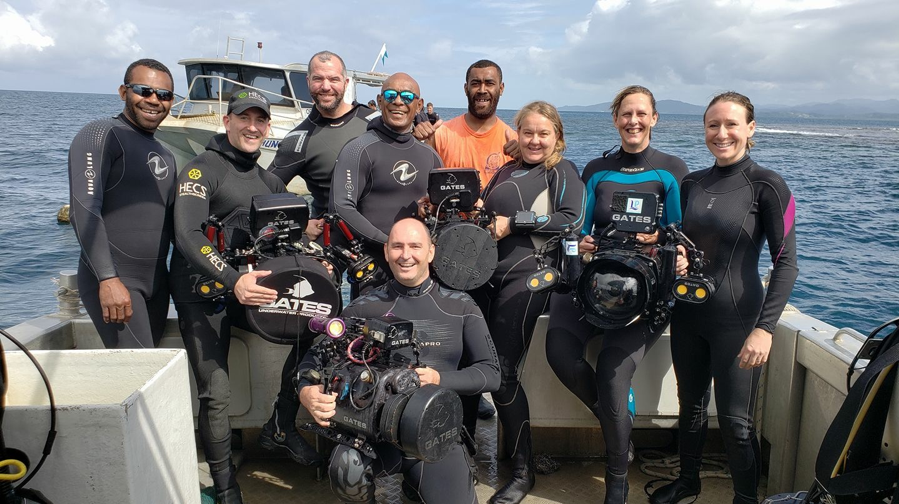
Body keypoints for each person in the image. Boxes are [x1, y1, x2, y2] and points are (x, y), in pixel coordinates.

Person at [170, 90, 323, 504]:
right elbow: (187, 234)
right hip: (201, 294)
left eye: (261, 120)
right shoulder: (202, 171)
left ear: (269, 127)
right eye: (244, 118)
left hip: (245, 292)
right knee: (216, 392)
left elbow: (286, 232)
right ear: (227, 121)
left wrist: (310, 241)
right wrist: (231, 278)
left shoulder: (267, 179)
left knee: (316, 325)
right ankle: (225, 488)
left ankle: (281, 424)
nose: (252, 127)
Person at [651, 92, 798, 504]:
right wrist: (676, 255)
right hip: (689, 315)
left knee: (736, 423)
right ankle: (689, 480)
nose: (722, 133)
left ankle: (746, 498)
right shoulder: (692, 183)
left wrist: (764, 329)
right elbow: (682, 241)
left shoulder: (768, 185)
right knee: (690, 407)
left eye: (732, 124)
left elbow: (787, 264)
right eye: (713, 125)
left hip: (738, 319)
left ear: (751, 129)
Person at [544, 86, 688, 503]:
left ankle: (617, 482)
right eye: (626, 114)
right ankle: (615, 425)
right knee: (559, 351)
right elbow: (578, 232)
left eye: (641, 114)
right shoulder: (597, 169)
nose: (633, 121)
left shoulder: (671, 170)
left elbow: (681, 235)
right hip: (595, 285)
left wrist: (660, 236)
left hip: (646, 294)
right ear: (615, 119)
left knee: (611, 372)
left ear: (654, 118)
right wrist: (582, 245)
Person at [297, 217, 500, 504]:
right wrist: (307, 393)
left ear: (431, 252)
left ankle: (418, 487)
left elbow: (491, 374)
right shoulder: (365, 307)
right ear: (386, 252)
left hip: (434, 433)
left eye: (415, 246)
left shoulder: (461, 306)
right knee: (346, 471)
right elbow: (314, 359)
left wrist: (438, 378)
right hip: (373, 435)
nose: (406, 255)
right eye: (397, 246)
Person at [473, 101, 585, 504]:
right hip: (485, 277)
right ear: (516, 134)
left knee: (502, 372)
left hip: (529, 277)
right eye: (528, 132)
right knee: (471, 362)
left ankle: (523, 471)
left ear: (557, 136)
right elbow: (484, 214)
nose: (535, 140)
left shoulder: (561, 172)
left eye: (543, 133)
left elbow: (573, 218)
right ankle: (464, 453)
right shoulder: (504, 169)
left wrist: (515, 221)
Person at [68, 58, 176, 349]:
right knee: (143, 377)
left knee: (151, 376)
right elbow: (84, 208)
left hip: (156, 285)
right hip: (115, 281)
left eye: (164, 95)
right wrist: (108, 279)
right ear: (123, 91)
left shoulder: (166, 154)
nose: (154, 100)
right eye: (144, 90)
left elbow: (174, 224)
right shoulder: (101, 134)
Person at [330, 72, 442, 298]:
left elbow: (441, 211)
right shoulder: (358, 149)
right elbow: (341, 207)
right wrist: (391, 245)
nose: (398, 101)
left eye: (407, 97)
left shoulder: (430, 156)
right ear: (380, 101)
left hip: (418, 269)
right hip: (373, 272)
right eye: (391, 95)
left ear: (419, 105)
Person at [270, 51, 378, 240]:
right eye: (318, 79)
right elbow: (263, 191)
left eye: (333, 79)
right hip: (337, 246)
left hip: (388, 239)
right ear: (308, 82)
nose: (326, 86)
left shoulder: (376, 121)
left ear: (345, 83)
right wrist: (301, 224)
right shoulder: (298, 140)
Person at [413, 59, 517, 187]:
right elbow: (418, 181)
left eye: (489, 83)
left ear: (501, 88)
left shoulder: (514, 143)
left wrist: (524, 159)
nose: (482, 90)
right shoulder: (440, 135)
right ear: (465, 88)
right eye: (475, 83)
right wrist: (415, 142)